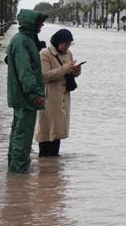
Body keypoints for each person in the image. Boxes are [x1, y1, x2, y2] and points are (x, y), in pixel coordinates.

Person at [5, 9, 47, 173]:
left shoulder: (23, 40)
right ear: (31, 23)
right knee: (23, 134)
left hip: (20, 96)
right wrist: (34, 93)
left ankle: (15, 171)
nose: (42, 25)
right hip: (25, 97)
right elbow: (25, 71)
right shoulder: (22, 42)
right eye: (39, 23)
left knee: (18, 132)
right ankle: (19, 171)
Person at [36, 29, 81, 157]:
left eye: (69, 44)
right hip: (50, 96)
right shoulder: (45, 54)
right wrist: (65, 69)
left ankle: (53, 161)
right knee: (47, 128)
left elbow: (70, 73)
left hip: (64, 96)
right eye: (65, 44)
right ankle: (44, 159)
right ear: (58, 41)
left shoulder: (68, 53)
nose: (67, 47)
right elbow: (44, 76)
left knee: (58, 128)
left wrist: (76, 70)